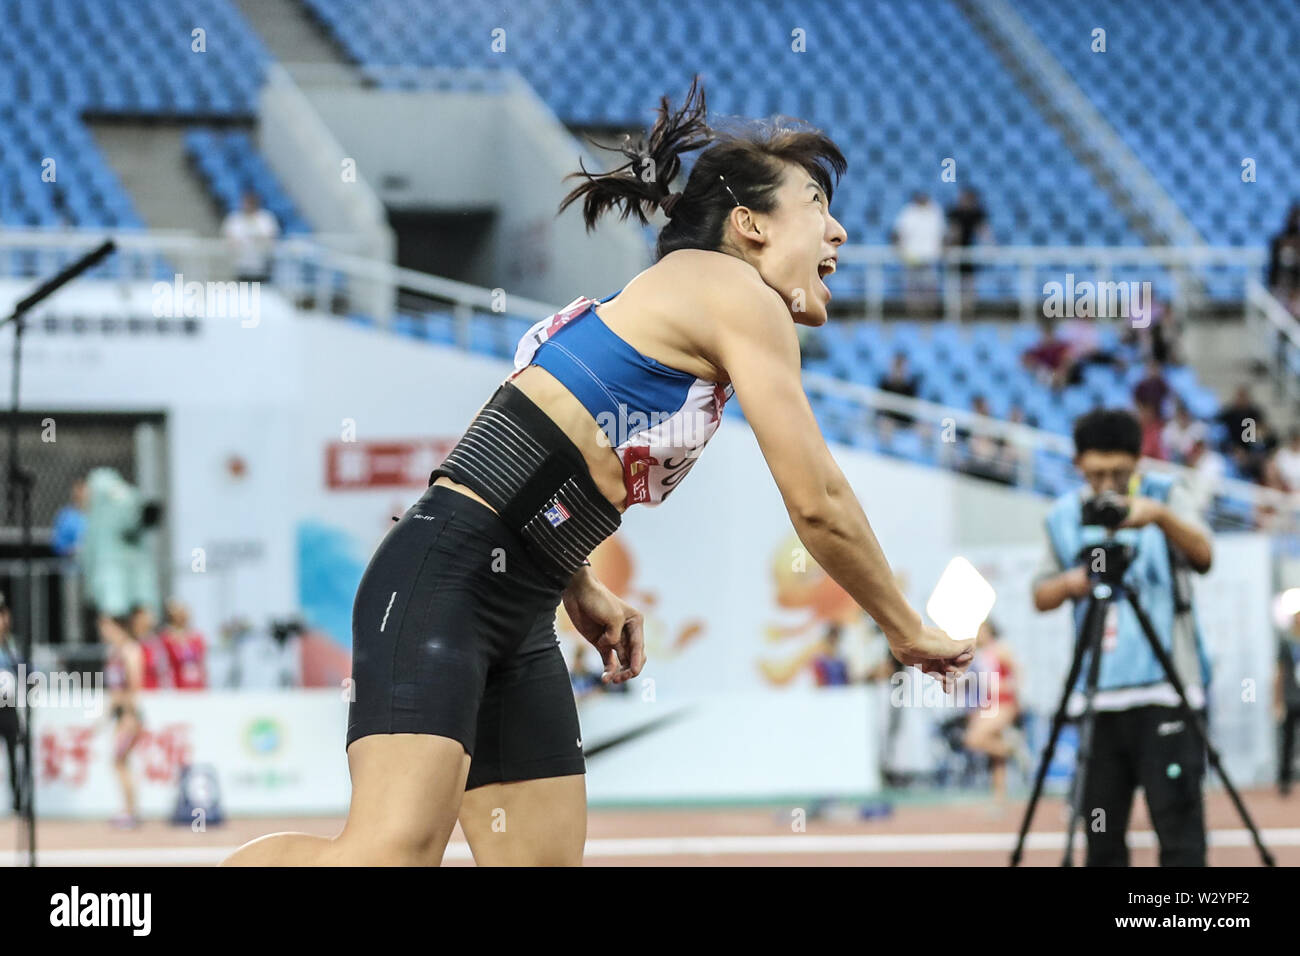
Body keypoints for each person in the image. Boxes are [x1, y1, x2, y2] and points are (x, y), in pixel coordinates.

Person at [223, 77, 972, 867]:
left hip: (518, 605)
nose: (841, 230)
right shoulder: (734, 293)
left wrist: (579, 582)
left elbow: (532, 430)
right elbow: (817, 502)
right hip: (444, 580)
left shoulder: (669, 300)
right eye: (817, 203)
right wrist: (903, 626)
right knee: (389, 854)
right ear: (749, 226)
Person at [1032, 408, 1214, 866]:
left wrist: (1156, 517)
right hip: (1098, 698)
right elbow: (1041, 593)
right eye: (1096, 473)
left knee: (1179, 827)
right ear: (1078, 465)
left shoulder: (1165, 494)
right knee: (1101, 835)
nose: (1108, 484)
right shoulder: (1061, 515)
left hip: (1166, 690)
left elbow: (1205, 555)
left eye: (1119, 471)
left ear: (1139, 461)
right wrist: (1078, 580)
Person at [961, 619, 1019, 805]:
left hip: (1003, 704)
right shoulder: (978, 654)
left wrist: (1006, 687)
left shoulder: (1000, 649)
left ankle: (1011, 749)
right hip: (987, 705)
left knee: (973, 739)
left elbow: (1016, 673)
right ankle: (999, 797)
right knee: (995, 756)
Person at [99, 611, 146, 829]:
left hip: (129, 714)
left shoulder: (130, 650)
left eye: (107, 627)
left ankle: (131, 811)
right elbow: (114, 690)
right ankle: (129, 809)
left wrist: (128, 715)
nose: (103, 632)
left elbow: (133, 686)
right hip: (120, 714)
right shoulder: (114, 652)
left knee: (119, 761)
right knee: (120, 762)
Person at [891, 191, 945, 316]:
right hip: (911, 258)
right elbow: (897, 233)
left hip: (930, 259)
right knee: (912, 290)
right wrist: (900, 251)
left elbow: (942, 234)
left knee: (930, 290)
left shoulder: (935, 211)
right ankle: (913, 314)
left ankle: (929, 315)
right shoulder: (908, 212)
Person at [946, 188, 993, 316]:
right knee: (955, 282)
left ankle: (968, 311)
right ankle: (954, 311)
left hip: (969, 252)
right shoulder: (954, 213)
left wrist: (990, 246)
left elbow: (983, 231)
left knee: (969, 283)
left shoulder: (977, 213)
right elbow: (952, 232)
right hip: (956, 252)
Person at [221, 190, 280, 284]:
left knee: (261, 293)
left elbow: (271, 237)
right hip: (241, 266)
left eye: (251, 203)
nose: (248, 206)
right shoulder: (234, 219)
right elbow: (229, 239)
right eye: (246, 203)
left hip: (260, 266)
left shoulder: (266, 219)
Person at [0, 593, 22, 814]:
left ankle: (16, 802)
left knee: (14, 755)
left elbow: (27, 673)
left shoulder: (13, 647)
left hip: (8, 707)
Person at [1275, 613, 1300, 796]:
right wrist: (1278, 701)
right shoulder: (1286, 643)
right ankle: (1284, 780)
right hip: (1291, 699)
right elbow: (1280, 673)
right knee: (1288, 742)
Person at [160, 598, 207, 690]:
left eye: (184, 612)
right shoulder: (166, 639)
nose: (182, 616)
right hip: (177, 687)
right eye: (178, 613)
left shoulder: (197, 638)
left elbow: (202, 664)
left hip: (196, 686)